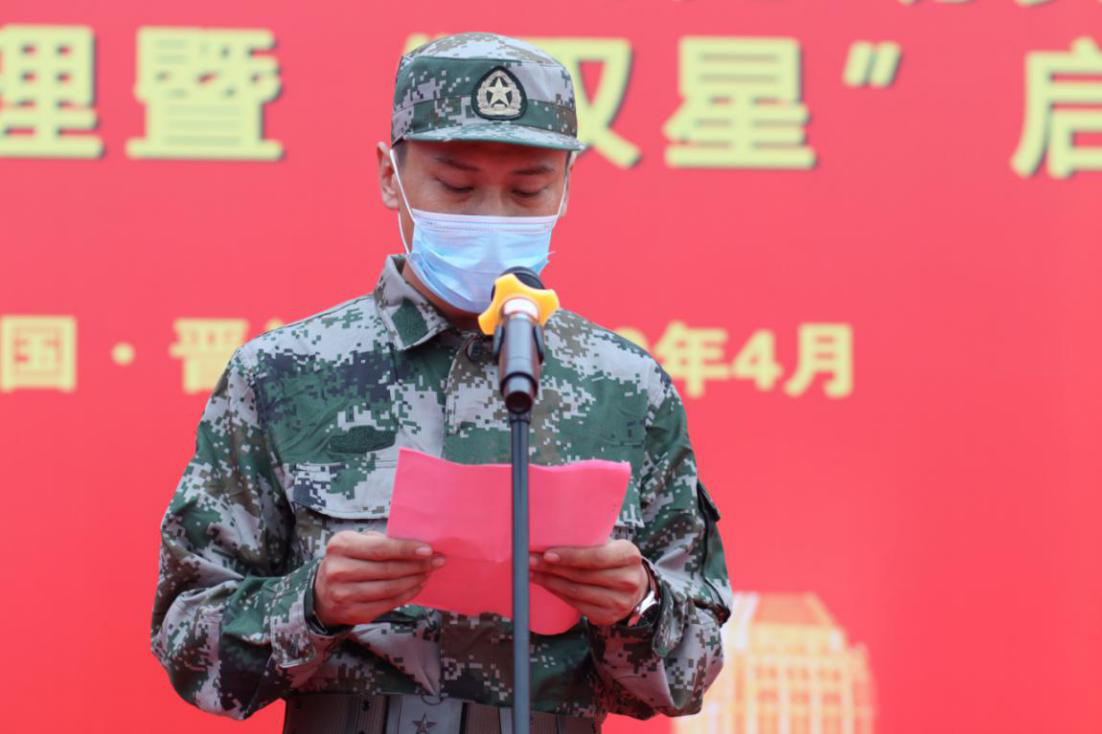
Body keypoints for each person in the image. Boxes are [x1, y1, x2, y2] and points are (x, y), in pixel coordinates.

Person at [151, 31, 733, 734]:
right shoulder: (282, 372)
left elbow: (692, 671)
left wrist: (637, 605)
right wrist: (312, 605)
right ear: (389, 175)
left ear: (567, 185)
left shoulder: (628, 388)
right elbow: (188, 642)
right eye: (456, 187)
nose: (492, 217)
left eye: (528, 190)